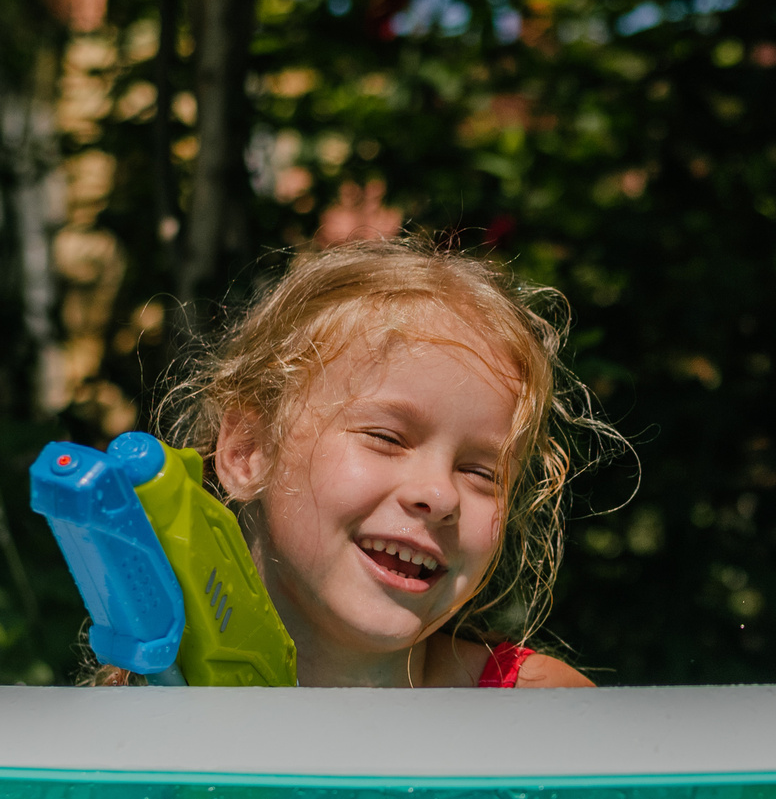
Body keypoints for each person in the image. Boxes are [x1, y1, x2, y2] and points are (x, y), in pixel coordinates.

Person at [100, 237, 613, 688]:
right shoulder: (149, 715)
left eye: (482, 472)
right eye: (387, 438)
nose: (440, 495)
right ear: (248, 452)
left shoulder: (540, 713)